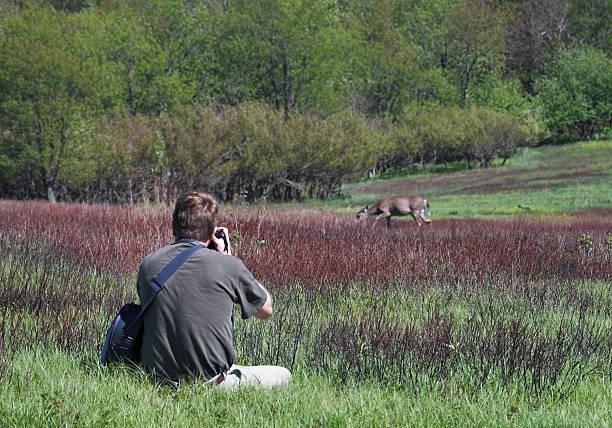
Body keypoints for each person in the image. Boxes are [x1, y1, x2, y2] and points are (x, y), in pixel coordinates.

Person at [136, 191, 291, 389]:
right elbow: (265, 310)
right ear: (212, 232)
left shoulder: (149, 264)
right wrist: (229, 257)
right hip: (210, 382)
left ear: (174, 226)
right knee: (283, 374)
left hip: (158, 380)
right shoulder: (228, 265)